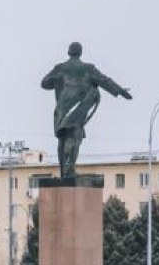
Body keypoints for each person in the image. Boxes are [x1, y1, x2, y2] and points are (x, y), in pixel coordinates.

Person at [41, 42, 132, 180]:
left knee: (62, 140)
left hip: (61, 111)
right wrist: (119, 91)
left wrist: (58, 83)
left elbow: (45, 83)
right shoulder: (88, 69)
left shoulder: (59, 68)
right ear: (80, 53)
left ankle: (64, 173)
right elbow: (105, 81)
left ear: (68, 52)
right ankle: (69, 172)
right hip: (78, 109)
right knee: (73, 139)